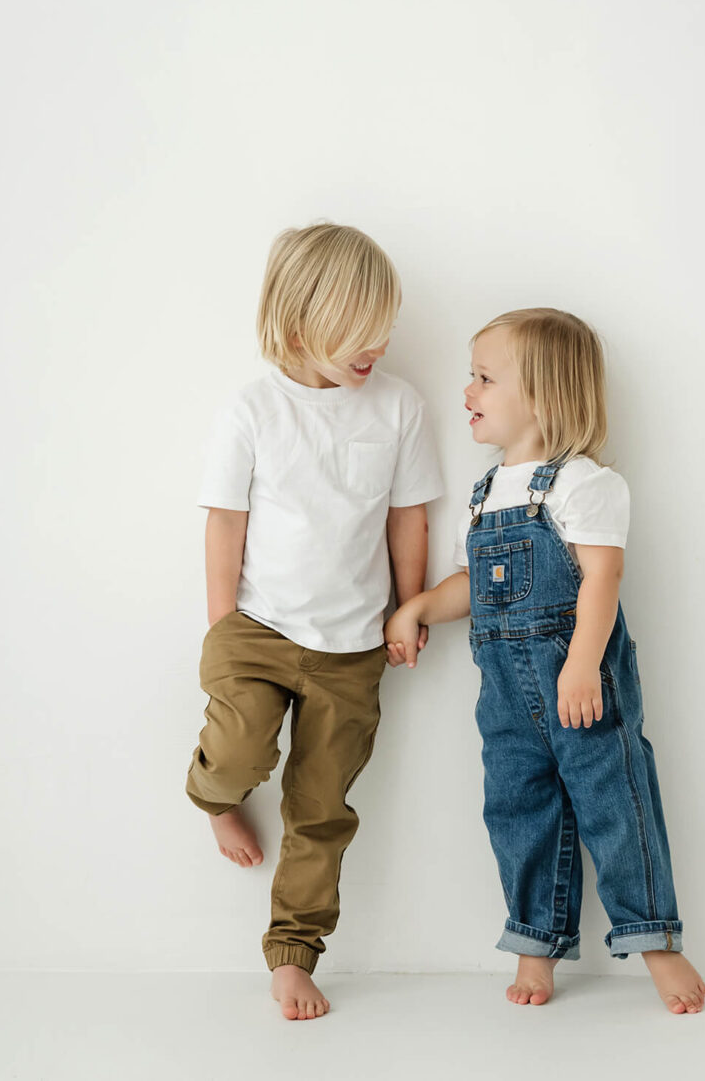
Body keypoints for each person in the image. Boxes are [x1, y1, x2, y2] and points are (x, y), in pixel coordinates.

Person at [385, 308, 705, 1014]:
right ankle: (536, 940)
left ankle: (655, 937)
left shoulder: (582, 483)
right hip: (505, 698)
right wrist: (416, 609)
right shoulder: (485, 491)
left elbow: (602, 577)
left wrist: (584, 664)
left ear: (543, 397)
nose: (466, 388)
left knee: (615, 803)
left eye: (484, 377)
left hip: (578, 686)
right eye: (470, 374)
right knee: (517, 811)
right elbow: (472, 584)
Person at [186, 223, 442, 1019]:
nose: (380, 345)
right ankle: (212, 793)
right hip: (257, 631)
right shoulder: (254, 409)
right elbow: (224, 522)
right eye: (360, 333)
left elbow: (409, 517)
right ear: (300, 326)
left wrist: (410, 604)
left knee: (322, 806)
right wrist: (222, 625)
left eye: (386, 326)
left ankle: (294, 952)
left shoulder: (399, 406)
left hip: (353, 647)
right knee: (237, 750)